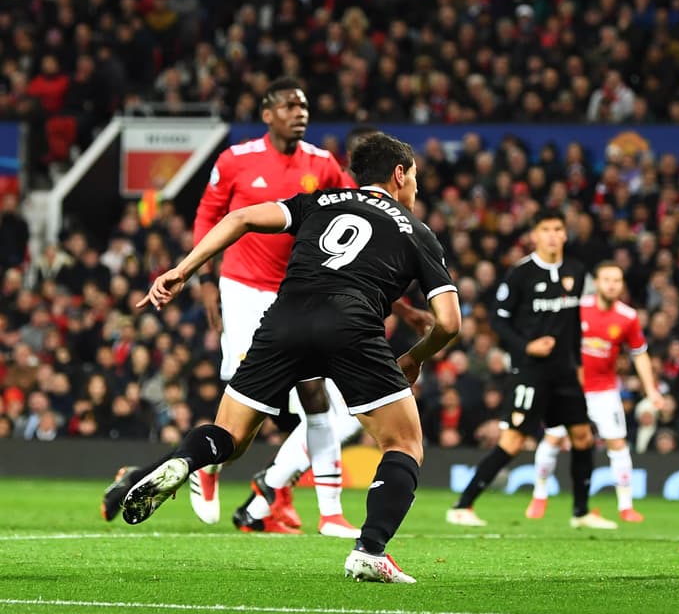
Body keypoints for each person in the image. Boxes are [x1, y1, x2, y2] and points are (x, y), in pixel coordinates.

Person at [115, 133, 461, 583]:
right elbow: (449, 323)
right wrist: (415, 357)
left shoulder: (319, 201)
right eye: (414, 177)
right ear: (399, 174)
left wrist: (183, 271)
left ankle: (186, 461)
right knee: (403, 444)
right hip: (351, 325)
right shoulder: (416, 231)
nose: (415, 186)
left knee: (230, 435)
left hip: (285, 319)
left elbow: (240, 217)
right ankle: (370, 551)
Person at [186, 77, 360, 537]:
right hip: (243, 289)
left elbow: (352, 210)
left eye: (303, 106)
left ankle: (328, 511)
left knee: (318, 397)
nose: (299, 113)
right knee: (253, 400)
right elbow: (208, 216)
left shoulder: (322, 164)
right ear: (267, 114)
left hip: (298, 293)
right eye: (288, 105)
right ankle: (210, 464)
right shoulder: (236, 159)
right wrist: (203, 278)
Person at [446, 209, 617, 530]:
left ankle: (581, 512)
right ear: (535, 235)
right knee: (512, 441)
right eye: (546, 229)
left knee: (582, 437)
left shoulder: (576, 270)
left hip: (565, 372)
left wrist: (579, 366)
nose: (552, 235)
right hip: (531, 372)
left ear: (565, 234)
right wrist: (526, 347)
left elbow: (574, 325)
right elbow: (498, 320)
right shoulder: (521, 273)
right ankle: (462, 506)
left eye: (558, 229)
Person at [526, 261, 664, 523]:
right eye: (607, 280)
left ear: (622, 285)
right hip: (569, 387)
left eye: (617, 281)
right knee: (553, 439)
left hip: (604, 390)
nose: (612, 285)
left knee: (617, 443)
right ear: (597, 283)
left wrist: (651, 390)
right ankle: (539, 495)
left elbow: (639, 354)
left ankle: (626, 506)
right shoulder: (577, 307)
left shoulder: (628, 317)